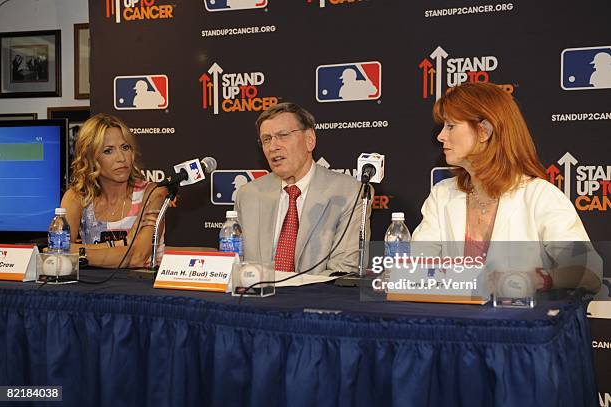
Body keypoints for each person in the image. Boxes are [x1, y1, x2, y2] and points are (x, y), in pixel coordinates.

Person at [411, 82, 601, 292]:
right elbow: (416, 267)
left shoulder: (540, 196)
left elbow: (589, 272)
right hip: (453, 322)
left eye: (450, 126)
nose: (441, 136)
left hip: (521, 323)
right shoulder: (442, 194)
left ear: (484, 131)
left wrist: (533, 279)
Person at [234, 102, 370, 275]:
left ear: (310, 140)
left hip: (315, 300)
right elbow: (236, 263)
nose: (273, 147)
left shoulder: (349, 192)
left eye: (283, 135)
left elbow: (346, 269)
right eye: (266, 139)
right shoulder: (248, 195)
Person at [60, 113, 167, 268]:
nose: (121, 158)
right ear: (90, 157)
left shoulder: (154, 193)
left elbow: (138, 257)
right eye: (108, 151)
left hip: (144, 289)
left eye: (125, 147)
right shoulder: (77, 197)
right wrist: (124, 243)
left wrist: (78, 253)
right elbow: (57, 251)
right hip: (91, 288)